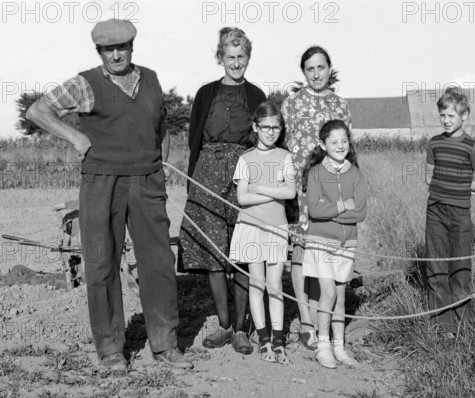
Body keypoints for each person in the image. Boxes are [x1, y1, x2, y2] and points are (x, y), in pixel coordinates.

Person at [26, 19, 192, 371]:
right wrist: (74, 137)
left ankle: (164, 345)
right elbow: (37, 111)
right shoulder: (85, 83)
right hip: (102, 182)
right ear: (99, 51)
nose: (116, 54)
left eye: (122, 47)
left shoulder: (151, 78)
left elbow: (160, 125)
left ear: (133, 47)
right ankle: (111, 350)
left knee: (159, 263)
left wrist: (158, 160)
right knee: (101, 265)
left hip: (146, 182)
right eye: (108, 49)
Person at [179, 27, 267, 354]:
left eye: (241, 56)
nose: (235, 62)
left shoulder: (257, 96)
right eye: (229, 56)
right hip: (207, 176)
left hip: (245, 175)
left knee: (243, 254)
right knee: (214, 254)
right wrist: (193, 184)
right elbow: (194, 141)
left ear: (248, 57)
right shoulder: (205, 93)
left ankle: (242, 331)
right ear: (220, 58)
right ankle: (224, 326)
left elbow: (268, 140)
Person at [282, 46, 352, 349]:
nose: (316, 74)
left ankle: (329, 319)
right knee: (300, 252)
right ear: (303, 72)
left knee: (325, 252)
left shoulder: (341, 104)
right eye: (310, 69)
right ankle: (306, 320)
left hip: (332, 190)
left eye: (321, 68)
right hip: (299, 191)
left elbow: (347, 148)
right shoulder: (291, 104)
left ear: (329, 68)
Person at [229, 102, 296, 364]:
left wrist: (260, 189)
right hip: (251, 227)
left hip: (276, 227)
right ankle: (263, 338)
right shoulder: (245, 159)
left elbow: (289, 193)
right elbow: (242, 198)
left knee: (275, 285)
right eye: (265, 127)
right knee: (256, 283)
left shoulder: (285, 157)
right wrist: (272, 189)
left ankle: (279, 340)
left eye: (276, 128)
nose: (270, 132)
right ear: (256, 127)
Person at [302, 119, 367, 369]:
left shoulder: (355, 173)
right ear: (323, 144)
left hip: (347, 243)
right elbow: (315, 211)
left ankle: (339, 347)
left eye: (344, 141)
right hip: (320, 242)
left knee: (340, 296)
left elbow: (360, 211)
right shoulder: (316, 172)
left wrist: (334, 212)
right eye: (334, 141)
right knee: (327, 293)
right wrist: (341, 205)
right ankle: (323, 346)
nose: (340, 146)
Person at [424, 87, 475, 338]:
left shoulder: (472, 147)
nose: (446, 120)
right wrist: (444, 181)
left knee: (460, 270)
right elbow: (428, 178)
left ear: (465, 115)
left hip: (460, 215)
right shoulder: (435, 143)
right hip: (435, 213)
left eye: (451, 116)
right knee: (436, 269)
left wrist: (460, 184)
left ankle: (465, 327)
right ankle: (444, 329)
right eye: (442, 115)